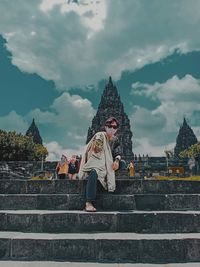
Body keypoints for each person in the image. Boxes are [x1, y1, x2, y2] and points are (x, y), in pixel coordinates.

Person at [79, 117, 126, 212]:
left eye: (115, 127)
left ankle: (108, 174)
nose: (112, 129)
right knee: (93, 172)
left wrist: (116, 160)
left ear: (117, 129)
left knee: (123, 163)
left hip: (109, 164)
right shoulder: (100, 135)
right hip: (98, 161)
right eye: (110, 126)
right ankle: (89, 202)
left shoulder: (115, 139)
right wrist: (97, 147)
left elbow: (118, 152)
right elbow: (97, 148)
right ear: (105, 127)